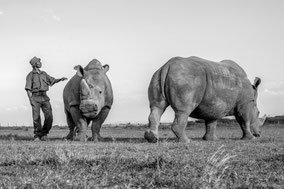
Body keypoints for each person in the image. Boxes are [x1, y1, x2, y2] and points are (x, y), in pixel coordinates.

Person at [25, 56, 68, 141]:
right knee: (36, 118)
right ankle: (37, 135)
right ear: (34, 64)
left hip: (44, 97)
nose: (40, 63)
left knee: (49, 117)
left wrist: (60, 79)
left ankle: (44, 133)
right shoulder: (30, 76)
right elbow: (28, 89)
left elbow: (52, 80)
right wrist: (31, 100)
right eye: (38, 62)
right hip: (35, 97)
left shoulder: (44, 74)